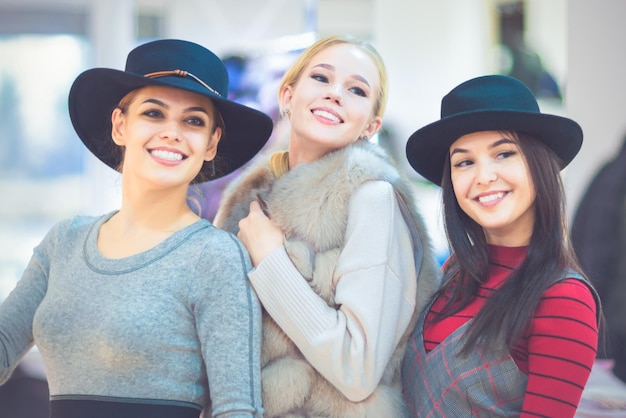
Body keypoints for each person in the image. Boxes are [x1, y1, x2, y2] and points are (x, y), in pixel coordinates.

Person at [0, 39, 273, 418]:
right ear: (119, 125)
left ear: (211, 143)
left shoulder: (215, 257)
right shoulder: (64, 242)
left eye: (193, 120)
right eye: (153, 113)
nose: (172, 132)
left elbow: (237, 410)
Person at [213, 34, 440, 417]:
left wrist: (271, 261)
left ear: (372, 124)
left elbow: (358, 370)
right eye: (321, 78)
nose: (335, 94)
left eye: (356, 89)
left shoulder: (372, 197)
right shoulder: (246, 197)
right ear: (287, 96)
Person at [402, 74, 600, 417]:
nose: (483, 176)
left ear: (540, 165)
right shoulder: (452, 274)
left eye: (504, 153)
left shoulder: (563, 298)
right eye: (464, 161)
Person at [571, 135, 626, 381]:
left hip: (605, 318)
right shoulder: (615, 177)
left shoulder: (608, 170)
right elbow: (595, 247)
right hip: (613, 324)